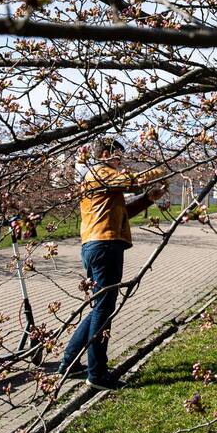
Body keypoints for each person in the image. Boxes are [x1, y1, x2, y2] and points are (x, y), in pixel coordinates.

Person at [58, 137, 167, 390]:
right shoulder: (100, 173)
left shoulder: (102, 181)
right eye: (119, 157)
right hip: (105, 245)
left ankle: (70, 363)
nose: (122, 163)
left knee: (100, 307)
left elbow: (123, 212)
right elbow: (133, 180)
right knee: (104, 309)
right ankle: (97, 374)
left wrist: (149, 198)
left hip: (98, 244)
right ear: (106, 154)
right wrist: (165, 166)